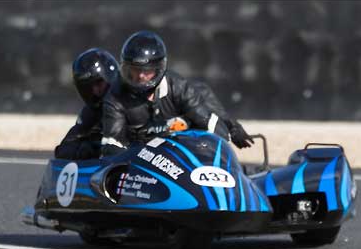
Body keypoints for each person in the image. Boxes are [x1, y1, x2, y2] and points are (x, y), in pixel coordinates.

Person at [101, 30, 254, 157]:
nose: (140, 76)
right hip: (141, 163)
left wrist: (229, 130)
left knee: (202, 90)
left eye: (146, 71)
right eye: (134, 70)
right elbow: (112, 145)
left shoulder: (180, 87)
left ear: (159, 68)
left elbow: (209, 122)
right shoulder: (115, 98)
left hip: (182, 157)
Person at [54, 48, 119, 160]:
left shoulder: (131, 101)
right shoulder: (91, 111)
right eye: (88, 87)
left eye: (99, 83)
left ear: (111, 76)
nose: (95, 91)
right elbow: (63, 149)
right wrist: (86, 149)